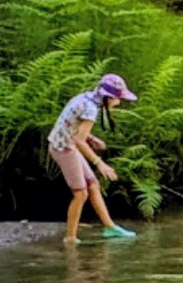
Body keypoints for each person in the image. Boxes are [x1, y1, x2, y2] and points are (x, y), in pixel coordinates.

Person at [44, 71, 139, 246]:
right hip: (63, 148)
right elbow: (79, 140)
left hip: (68, 143)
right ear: (108, 98)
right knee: (81, 193)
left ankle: (109, 228)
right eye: (117, 99)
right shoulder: (91, 108)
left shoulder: (85, 98)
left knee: (93, 184)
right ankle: (70, 238)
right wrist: (99, 163)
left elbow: (70, 123)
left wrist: (92, 139)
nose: (119, 103)